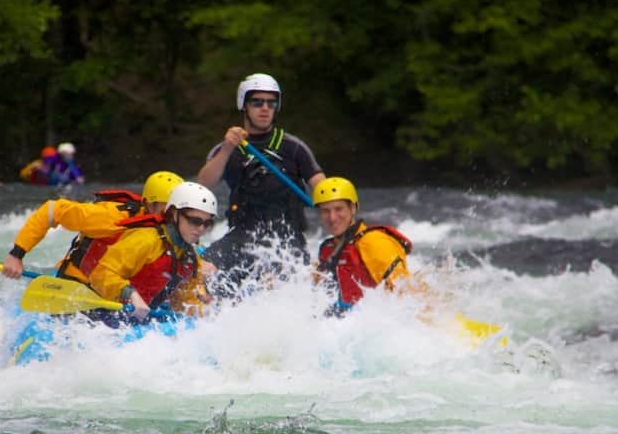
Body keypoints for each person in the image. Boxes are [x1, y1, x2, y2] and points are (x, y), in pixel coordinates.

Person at [197, 73, 325, 282]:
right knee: (203, 270)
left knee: (275, 282)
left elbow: (324, 190)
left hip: (287, 239)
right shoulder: (226, 148)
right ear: (244, 105)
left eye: (271, 103)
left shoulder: (294, 148)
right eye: (257, 102)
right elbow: (204, 183)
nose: (265, 108)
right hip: (242, 236)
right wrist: (228, 148)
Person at [1, 171, 185, 283]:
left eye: (180, 209)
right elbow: (52, 210)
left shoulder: (175, 232)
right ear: (149, 204)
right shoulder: (110, 217)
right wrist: (17, 254)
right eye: (168, 208)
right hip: (76, 283)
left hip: (113, 289)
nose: (175, 216)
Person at [89, 182, 217, 321]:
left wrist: (207, 315)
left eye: (207, 223)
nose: (201, 229)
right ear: (174, 213)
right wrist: (130, 294)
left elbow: (184, 301)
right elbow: (100, 274)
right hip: (104, 312)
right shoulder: (146, 239)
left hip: (140, 318)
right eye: (195, 221)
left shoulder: (188, 255)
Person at [311, 177, 413, 315]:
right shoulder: (328, 249)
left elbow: (406, 294)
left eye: (338, 209)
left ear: (353, 208)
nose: (332, 217)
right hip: (347, 322)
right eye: (325, 211)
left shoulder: (373, 242)